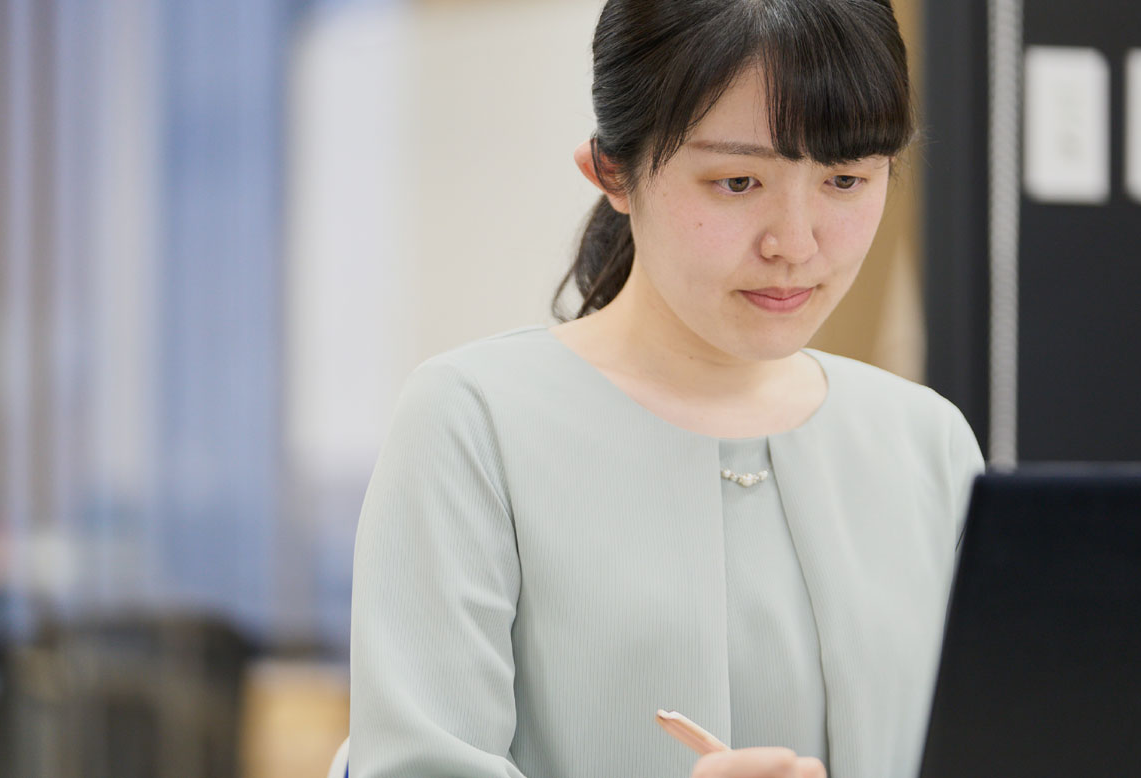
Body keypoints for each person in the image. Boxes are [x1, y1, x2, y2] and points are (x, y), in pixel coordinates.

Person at [348, 1, 984, 777]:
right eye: (738, 181)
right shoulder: (473, 423)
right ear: (611, 171)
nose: (797, 243)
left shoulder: (928, 444)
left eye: (846, 179)